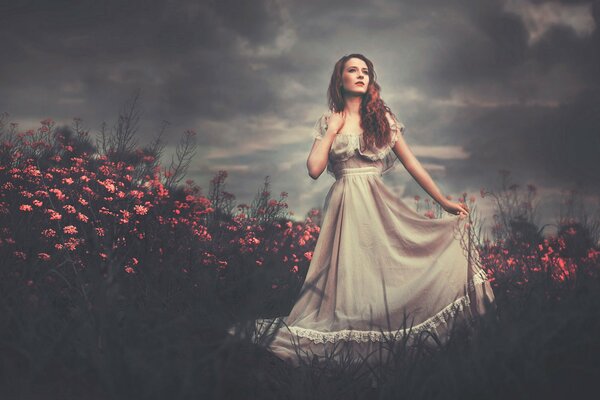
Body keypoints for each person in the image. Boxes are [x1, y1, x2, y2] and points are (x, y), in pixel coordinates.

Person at [257, 53, 496, 366]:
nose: (360, 75)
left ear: (370, 80)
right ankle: (349, 333)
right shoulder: (330, 119)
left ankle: (387, 323)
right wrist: (332, 129)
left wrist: (444, 202)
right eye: (352, 70)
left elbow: (413, 165)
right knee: (350, 269)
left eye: (365, 71)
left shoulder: (382, 119)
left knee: (383, 264)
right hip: (344, 204)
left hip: (377, 202)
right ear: (339, 79)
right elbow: (314, 169)